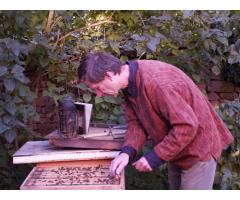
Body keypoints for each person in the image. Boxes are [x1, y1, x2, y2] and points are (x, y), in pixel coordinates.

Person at [78, 52, 233, 190]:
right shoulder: (129, 85)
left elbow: (186, 126)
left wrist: (155, 157)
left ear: (109, 75)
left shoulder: (157, 82)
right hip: (178, 149)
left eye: (97, 87)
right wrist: (127, 153)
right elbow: (136, 124)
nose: (98, 94)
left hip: (200, 149)